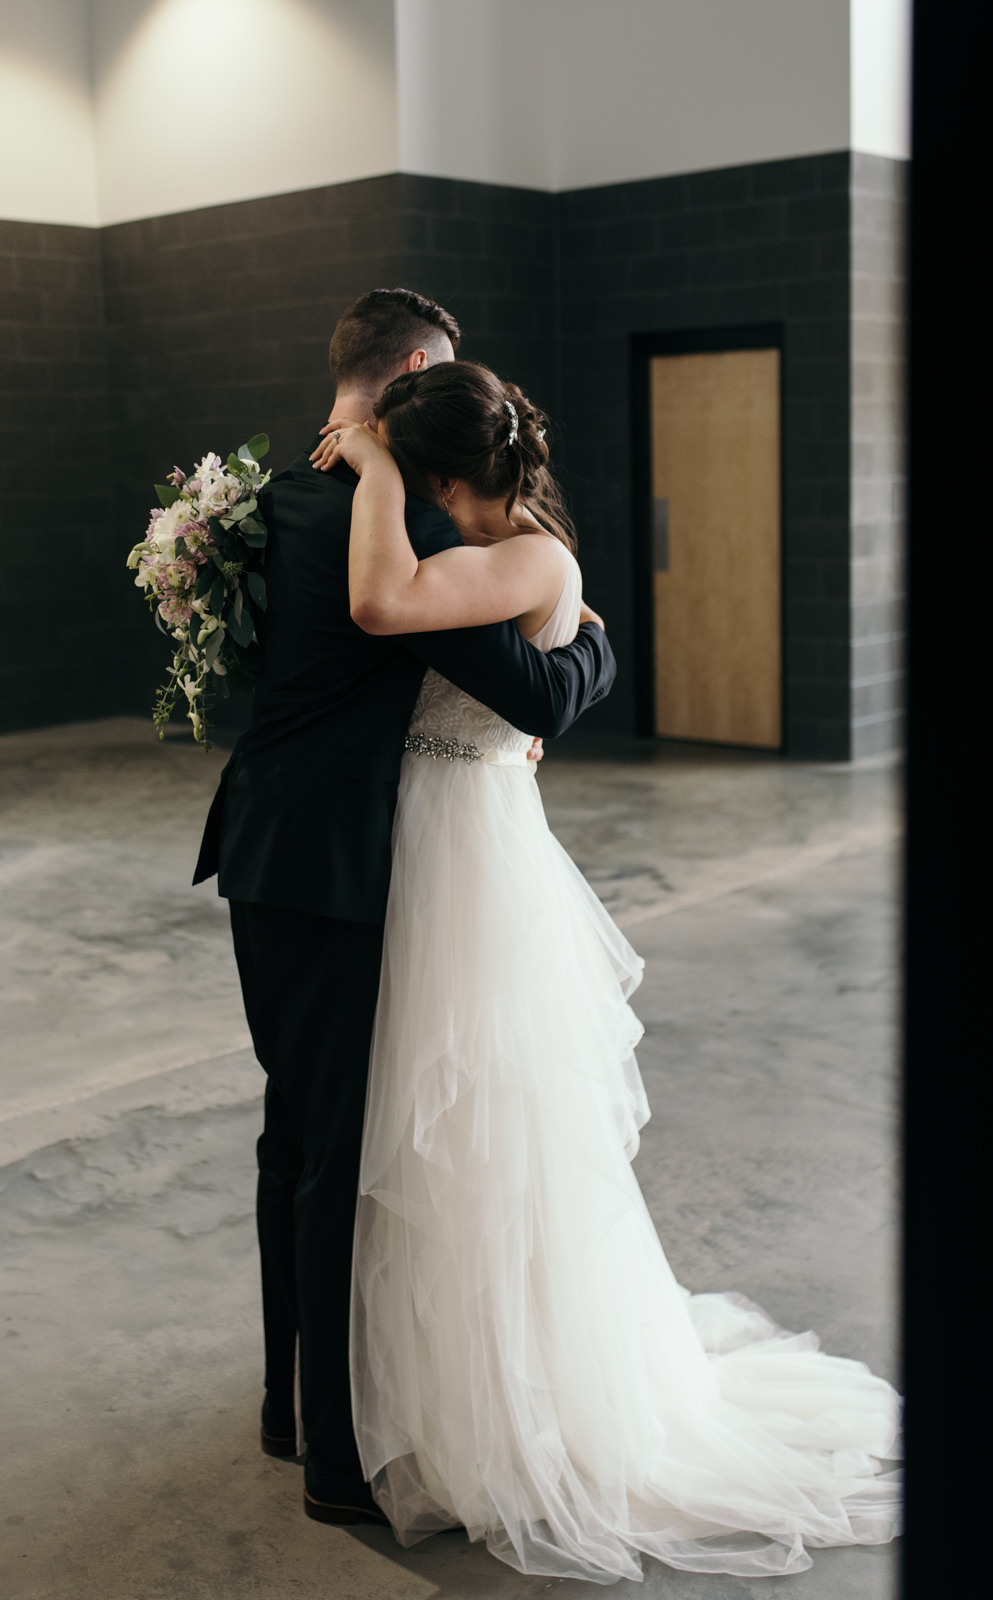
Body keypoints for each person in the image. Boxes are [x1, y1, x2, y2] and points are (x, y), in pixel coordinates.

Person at [313, 361, 904, 1584]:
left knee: (483, 1121)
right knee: (441, 1125)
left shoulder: (527, 557)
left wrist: (363, 462)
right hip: (435, 828)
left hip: (467, 847)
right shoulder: (505, 546)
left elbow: (381, 603)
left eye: (415, 477)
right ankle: (444, 1383)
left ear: (441, 478)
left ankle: (513, 1401)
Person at [192, 290, 616, 1526]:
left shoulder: (255, 504)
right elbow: (529, 689)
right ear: (412, 382)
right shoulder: (416, 527)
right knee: (341, 1154)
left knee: (293, 1134)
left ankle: (289, 1400)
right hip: (352, 869)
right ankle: (334, 1461)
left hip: (261, 848)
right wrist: (593, 642)